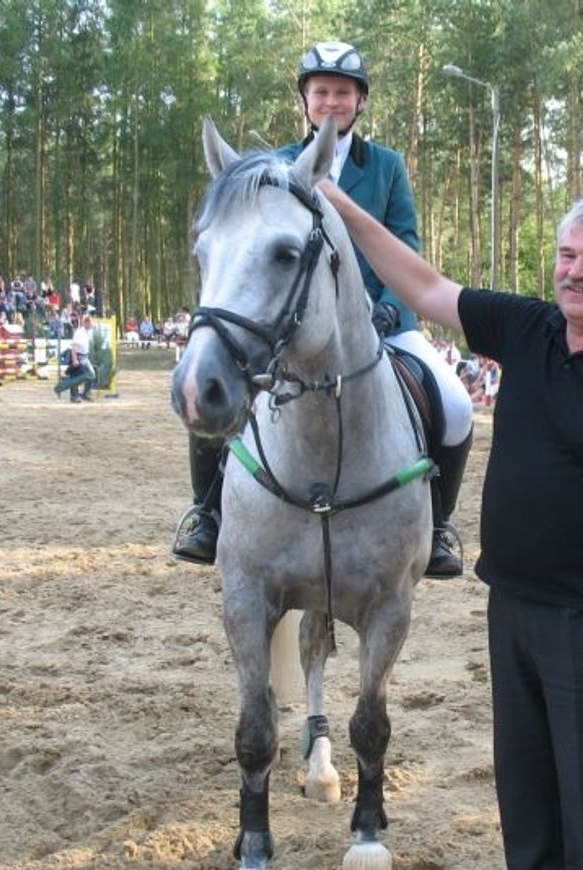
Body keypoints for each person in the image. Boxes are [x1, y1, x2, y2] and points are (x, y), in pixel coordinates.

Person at [323, 183, 583, 870]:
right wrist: (341, 206)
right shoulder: (531, 328)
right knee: (526, 794)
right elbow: (427, 286)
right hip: (516, 608)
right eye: (568, 255)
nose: (577, 271)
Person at [172, 40, 474, 579]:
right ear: (306, 102)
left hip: (380, 323)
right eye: (320, 93)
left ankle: (438, 524)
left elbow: (404, 243)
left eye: (342, 93)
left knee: (454, 403)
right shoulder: (274, 167)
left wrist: (387, 308)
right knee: (218, 386)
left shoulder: (385, 167)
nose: (331, 103)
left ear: (360, 102)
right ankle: (208, 513)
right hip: (292, 326)